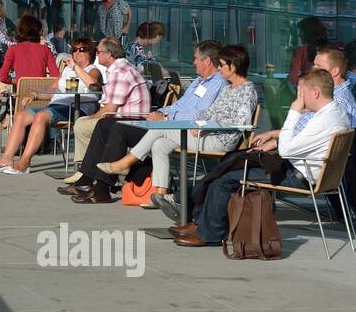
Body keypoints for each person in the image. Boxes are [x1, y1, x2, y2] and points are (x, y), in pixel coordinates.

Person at [174, 68, 349, 247]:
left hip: (297, 176)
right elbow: (305, 139)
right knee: (235, 163)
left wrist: (294, 112)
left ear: (315, 92)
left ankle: (209, 233)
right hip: (309, 171)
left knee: (225, 177)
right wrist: (274, 139)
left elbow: (287, 149)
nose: (299, 99)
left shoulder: (321, 121)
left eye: (301, 93)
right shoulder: (337, 113)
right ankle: (201, 224)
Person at [96, 45, 257, 213]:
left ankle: (125, 162)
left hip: (221, 139)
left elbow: (239, 123)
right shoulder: (229, 88)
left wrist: (205, 126)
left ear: (233, 66)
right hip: (205, 133)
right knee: (160, 144)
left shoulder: (247, 91)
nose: (220, 68)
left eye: (222, 64)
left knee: (161, 129)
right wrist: (200, 123)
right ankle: (161, 194)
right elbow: (210, 112)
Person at [64, 39, 225, 202]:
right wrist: (160, 112)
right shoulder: (199, 81)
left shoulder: (217, 83)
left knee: (117, 128)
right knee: (105, 124)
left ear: (208, 61)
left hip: (176, 130)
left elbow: (199, 114)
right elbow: (179, 105)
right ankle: (87, 180)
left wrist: (166, 117)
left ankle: (102, 188)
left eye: (196, 58)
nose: (193, 62)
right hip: (162, 124)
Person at [0, 38, 101, 173]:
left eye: (81, 49)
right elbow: (52, 90)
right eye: (74, 50)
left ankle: (24, 161)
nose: (77, 52)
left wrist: (76, 68)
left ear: (90, 53)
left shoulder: (93, 70)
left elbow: (93, 84)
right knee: (21, 115)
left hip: (77, 108)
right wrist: (35, 96)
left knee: (41, 116)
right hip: (57, 106)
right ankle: (6, 158)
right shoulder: (67, 70)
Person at [59, 37, 150, 198]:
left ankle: (91, 179)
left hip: (133, 121)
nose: (97, 55)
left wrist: (90, 118)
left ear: (109, 54)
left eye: (99, 52)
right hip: (124, 119)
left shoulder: (121, 72)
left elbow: (110, 108)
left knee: (88, 125)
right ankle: (87, 178)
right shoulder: (118, 69)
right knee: (96, 124)